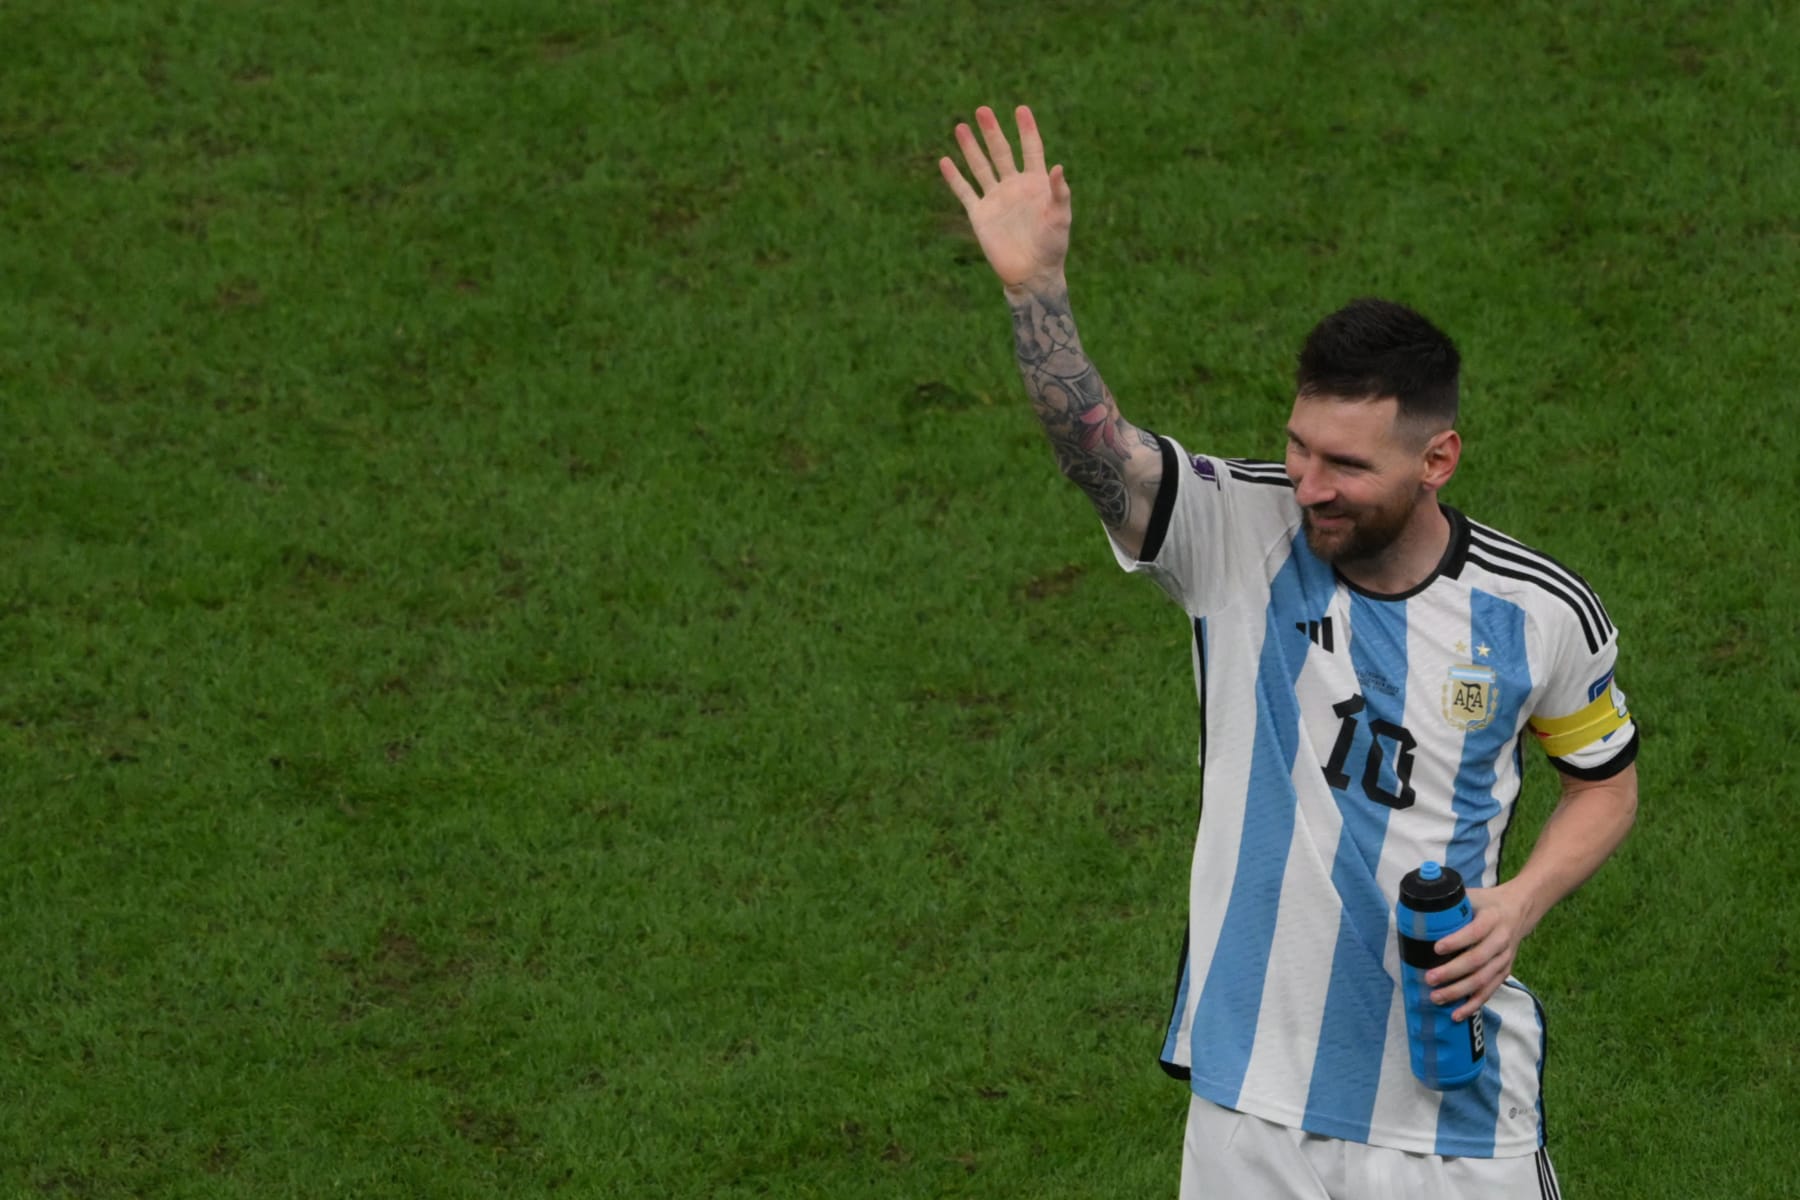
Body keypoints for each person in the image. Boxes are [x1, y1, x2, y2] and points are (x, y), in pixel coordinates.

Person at [938, 105, 1639, 1199]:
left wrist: (1520, 903)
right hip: (1249, 1102)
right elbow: (1099, 455)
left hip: (1451, 1123)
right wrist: (1036, 290)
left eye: (1347, 466)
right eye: (1299, 446)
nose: (1309, 484)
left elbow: (1604, 783)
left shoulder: (1538, 612)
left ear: (1438, 458)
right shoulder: (1238, 534)